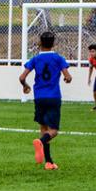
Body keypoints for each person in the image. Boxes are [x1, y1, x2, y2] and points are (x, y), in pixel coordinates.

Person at [18, 31, 72, 171]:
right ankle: (41, 142)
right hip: (53, 97)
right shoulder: (58, 58)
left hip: (39, 97)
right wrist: (67, 79)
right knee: (53, 131)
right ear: (53, 43)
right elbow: (68, 76)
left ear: (40, 43)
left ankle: (48, 162)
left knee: (43, 128)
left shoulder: (35, 59)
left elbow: (22, 77)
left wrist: (26, 86)